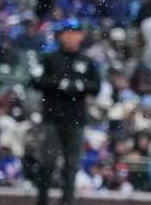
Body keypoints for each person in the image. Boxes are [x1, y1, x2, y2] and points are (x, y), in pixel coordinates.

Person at [32, 18, 100, 205]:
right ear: (61, 36)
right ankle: (42, 200)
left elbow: (96, 86)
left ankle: (67, 201)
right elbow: (37, 81)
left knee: (72, 165)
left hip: (76, 119)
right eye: (67, 33)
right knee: (47, 163)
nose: (71, 36)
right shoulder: (51, 58)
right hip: (53, 117)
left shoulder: (87, 61)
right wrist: (59, 84)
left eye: (75, 33)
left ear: (81, 36)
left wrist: (80, 85)